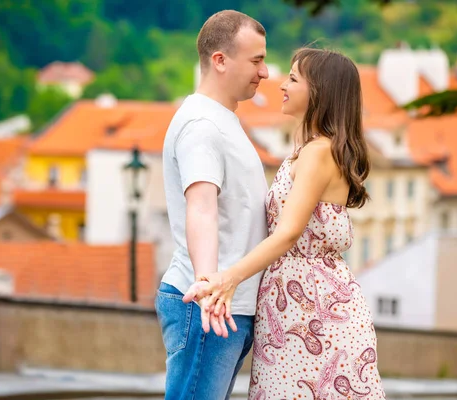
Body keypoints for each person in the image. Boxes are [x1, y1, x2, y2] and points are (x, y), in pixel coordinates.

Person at [184, 48, 386, 399]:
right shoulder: (311, 150)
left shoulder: (318, 152)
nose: (281, 84)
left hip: (313, 312)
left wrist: (227, 278)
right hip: (298, 307)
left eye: (293, 78)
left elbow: (289, 231)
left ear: (319, 91)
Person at [156, 9, 270, 400]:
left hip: (224, 303)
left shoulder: (221, 120)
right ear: (220, 60)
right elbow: (201, 207)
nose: (266, 72)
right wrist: (207, 285)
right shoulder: (202, 126)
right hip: (210, 305)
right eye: (256, 60)